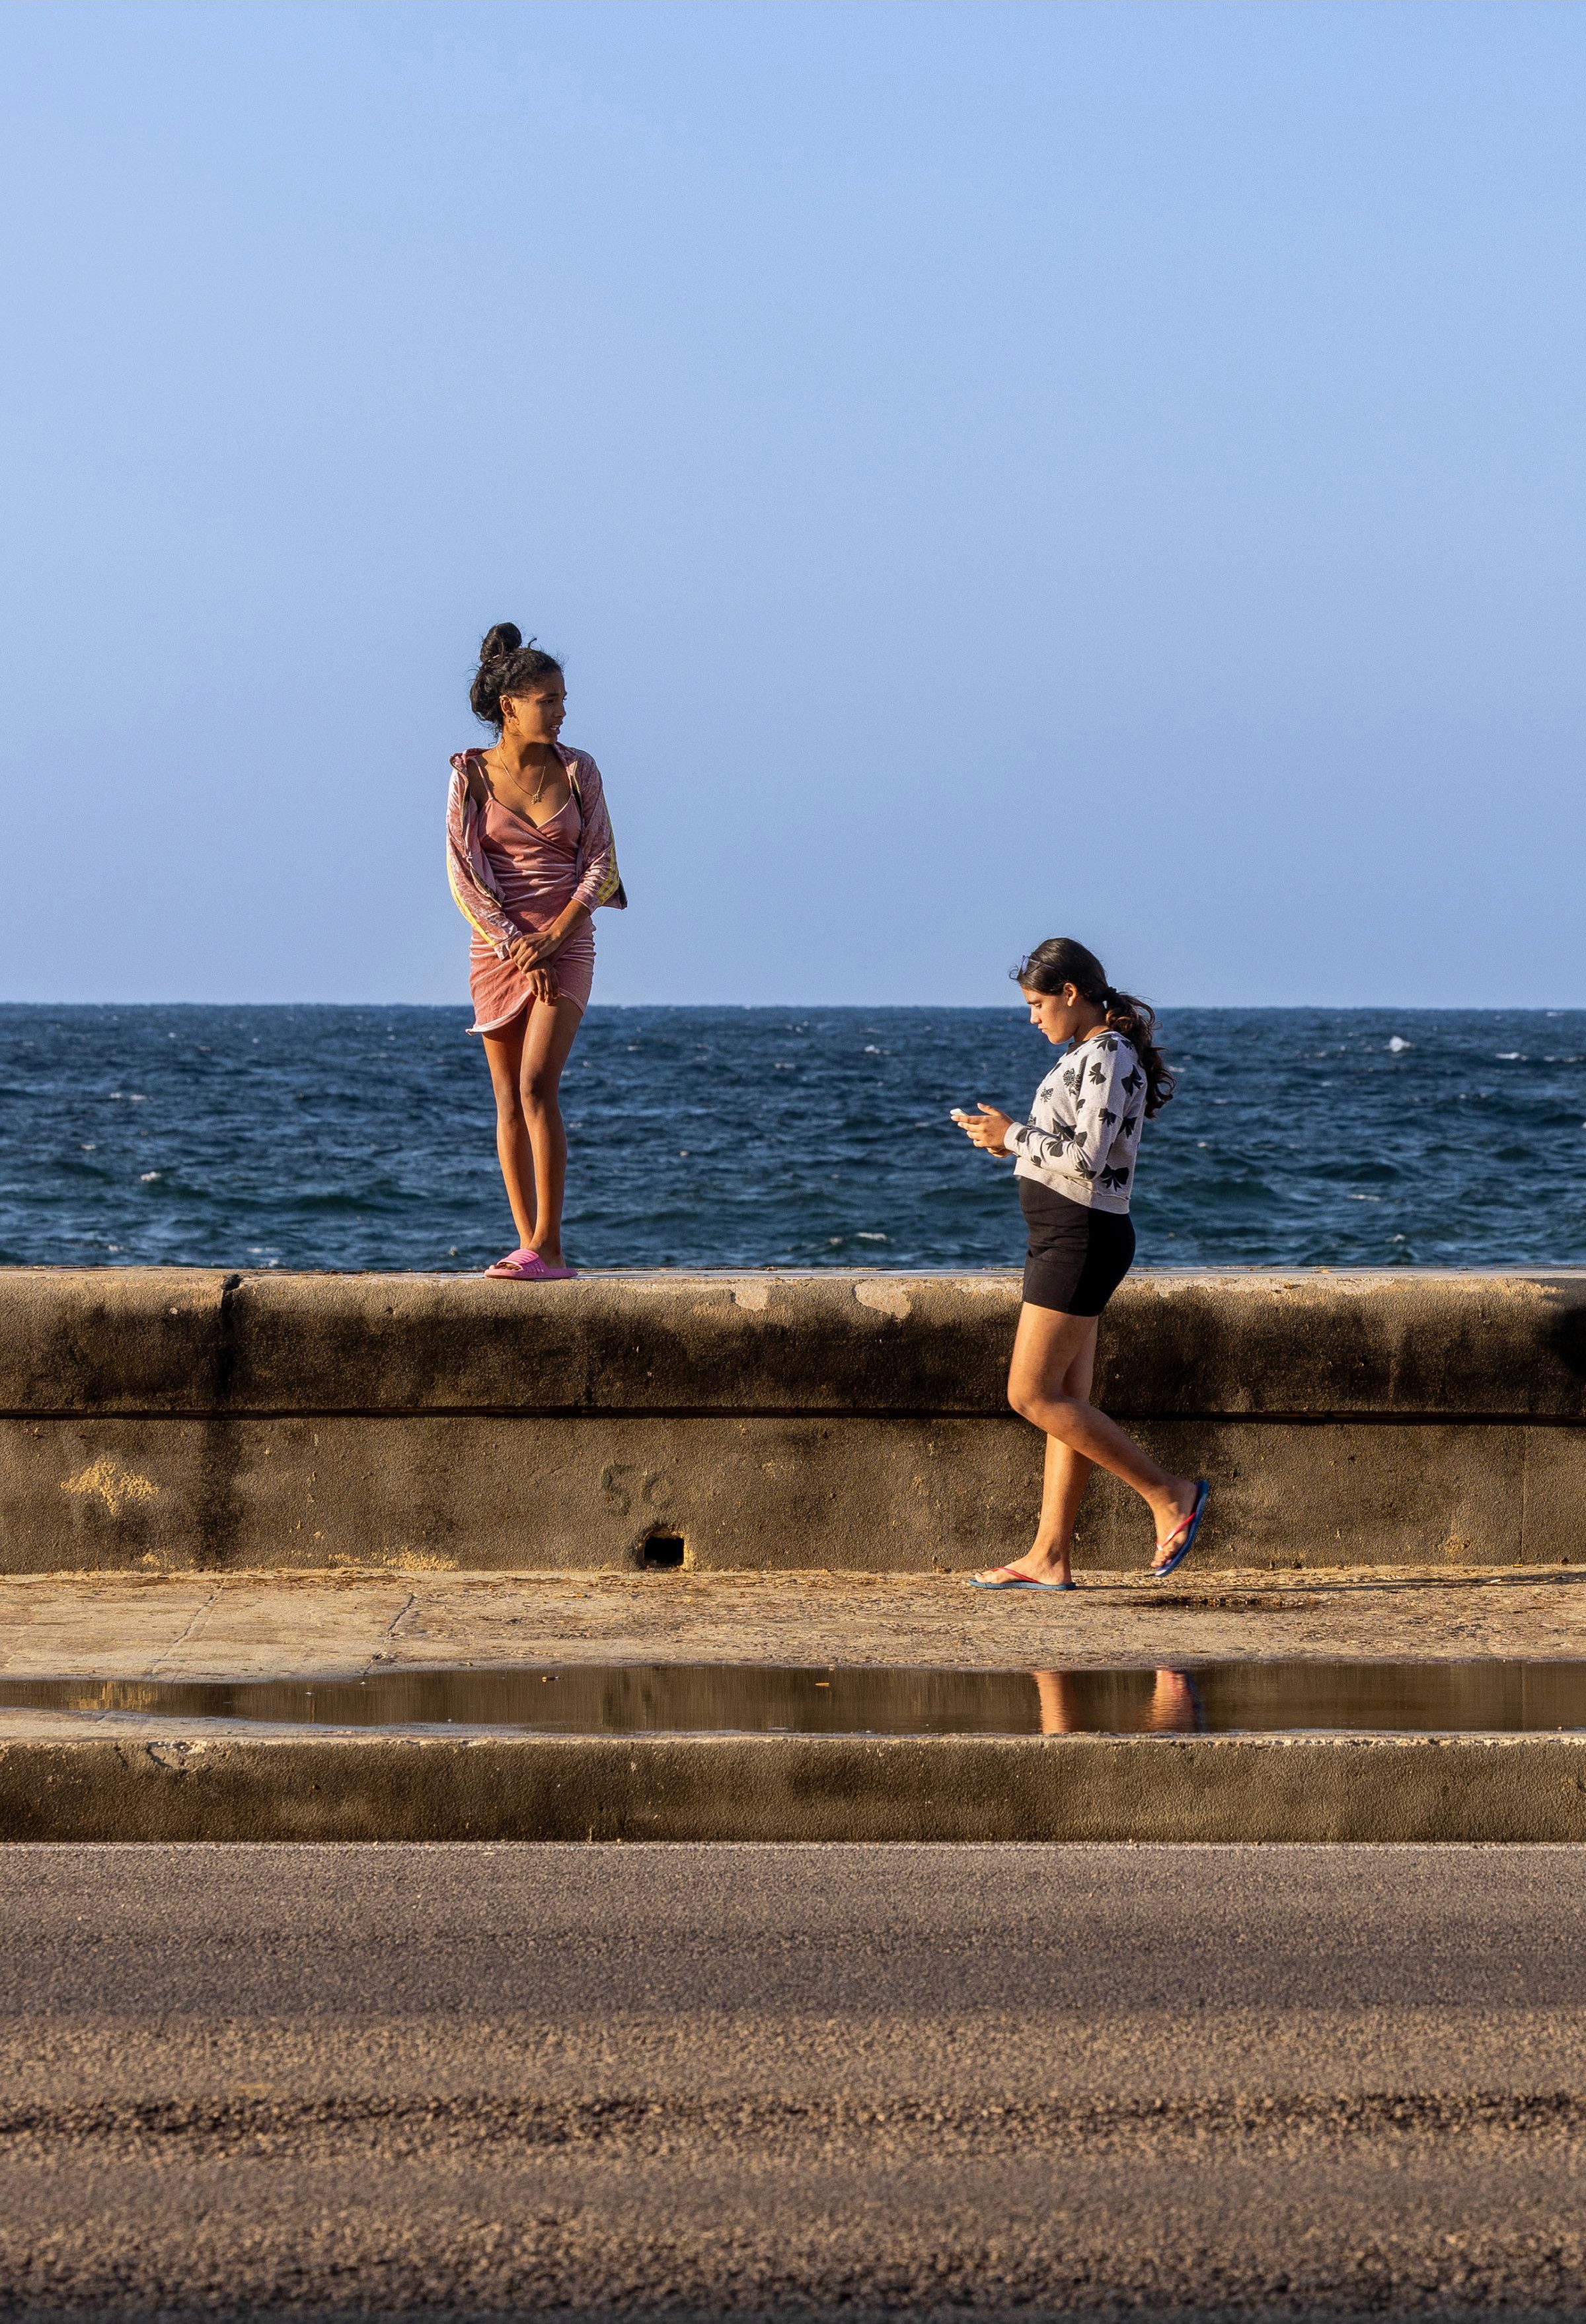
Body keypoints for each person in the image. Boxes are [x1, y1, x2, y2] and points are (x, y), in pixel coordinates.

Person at [952, 936, 1208, 1586]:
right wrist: (1011, 1143)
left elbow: (1088, 1159)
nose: (1032, 1016)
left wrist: (1011, 1136)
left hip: (1080, 1239)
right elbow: (1069, 1149)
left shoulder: (1111, 1054)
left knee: (1030, 1393)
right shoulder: (1093, 1053)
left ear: (1071, 993)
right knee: (1067, 1398)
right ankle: (1050, 1557)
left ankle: (1168, 1494)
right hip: (1069, 1236)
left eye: (1038, 1003)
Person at [445, 624, 625, 1281]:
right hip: (500, 949)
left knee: (536, 1084)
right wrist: (518, 943)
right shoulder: (469, 774)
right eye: (547, 699)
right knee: (505, 1097)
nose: (560, 710)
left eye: (563, 699)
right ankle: (529, 1243)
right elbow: (463, 869)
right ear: (510, 705)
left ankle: (550, 1244)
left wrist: (555, 935)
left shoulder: (580, 769)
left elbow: (601, 858)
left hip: (568, 940)